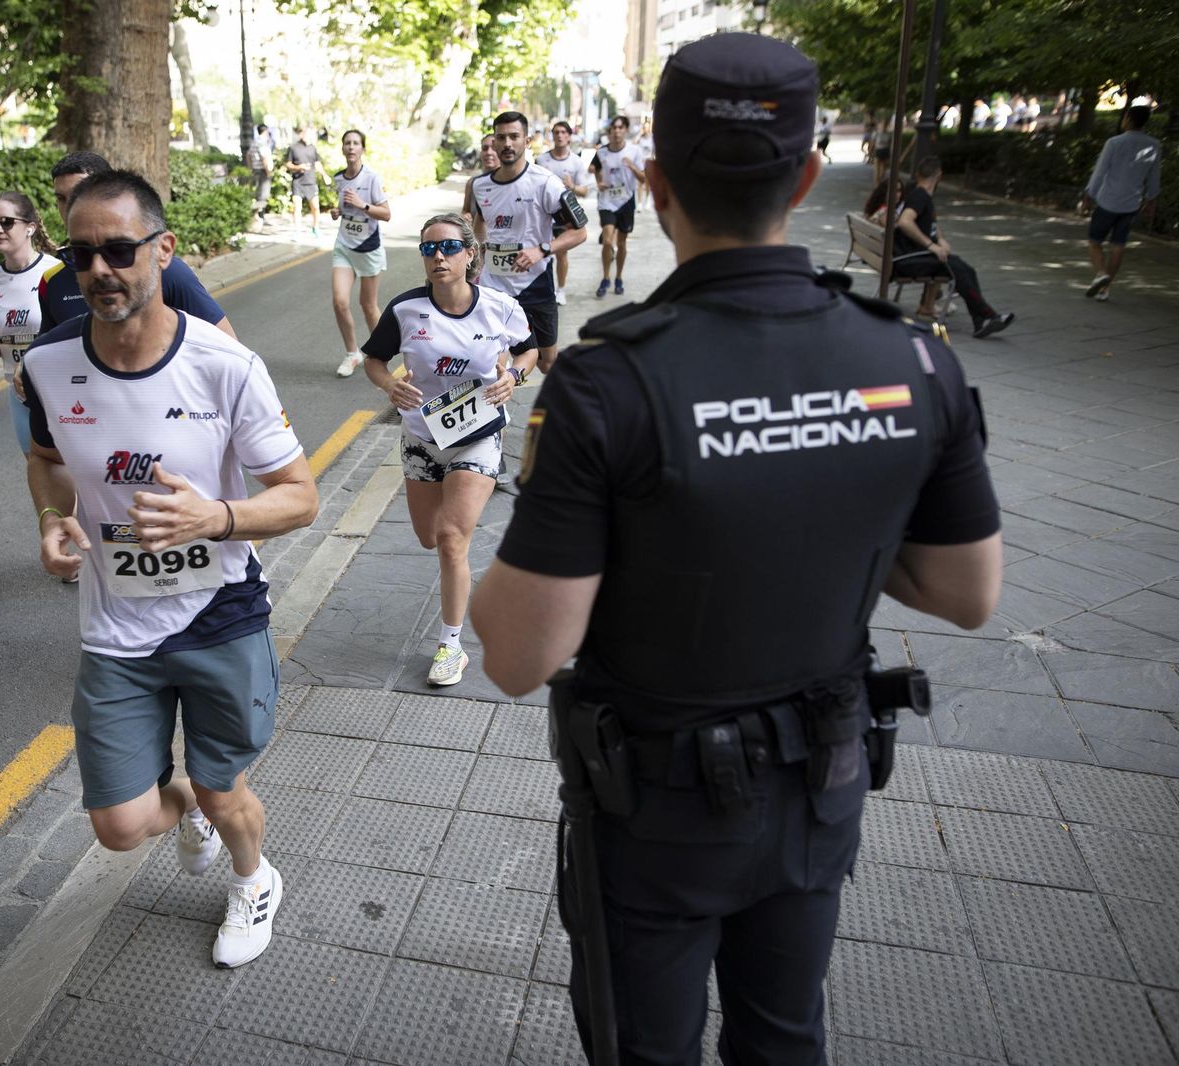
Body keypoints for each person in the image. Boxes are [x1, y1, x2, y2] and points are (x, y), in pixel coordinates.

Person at [470, 33, 1003, 1066]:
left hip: (655, 810)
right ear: (806, 176)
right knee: (782, 1035)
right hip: (821, 782)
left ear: (657, 182)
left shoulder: (607, 380)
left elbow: (515, 655)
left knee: (645, 1048)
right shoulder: (908, 358)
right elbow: (966, 589)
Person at [21, 169, 318, 968]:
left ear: (163, 250)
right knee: (119, 827)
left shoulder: (226, 366)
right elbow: (47, 463)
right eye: (81, 254)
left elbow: (300, 498)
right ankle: (182, 801)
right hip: (114, 626)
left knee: (227, 792)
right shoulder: (49, 366)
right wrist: (54, 518)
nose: (100, 271)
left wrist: (216, 517)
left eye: (119, 249)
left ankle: (254, 880)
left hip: (217, 613)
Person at [362, 214, 537, 687]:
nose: (438, 257)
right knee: (428, 535)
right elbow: (374, 360)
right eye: (428, 250)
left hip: (478, 433)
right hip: (422, 438)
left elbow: (529, 350)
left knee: (452, 539)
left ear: (469, 254)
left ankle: (450, 645)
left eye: (448, 248)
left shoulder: (499, 306)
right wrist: (389, 386)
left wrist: (513, 377)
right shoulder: (405, 310)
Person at [37, 152, 234, 340]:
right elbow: (47, 353)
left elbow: (228, 349)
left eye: (79, 193)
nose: (71, 205)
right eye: (61, 198)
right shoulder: (51, 282)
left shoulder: (168, 270)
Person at [470, 110, 589, 373]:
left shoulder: (546, 183)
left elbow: (579, 232)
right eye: (501, 137)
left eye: (514, 136)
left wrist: (542, 250)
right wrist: (478, 257)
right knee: (491, 360)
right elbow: (479, 224)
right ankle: (497, 404)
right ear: (494, 141)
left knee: (547, 363)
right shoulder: (480, 186)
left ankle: (524, 384)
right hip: (494, 285)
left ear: (527, 141)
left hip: (534, 283)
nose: (507, 143)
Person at [893, 156, 1016, 337]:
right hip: (909, 260)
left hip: (911, 256)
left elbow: (927, 224)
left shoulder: (919, 194)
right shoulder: (920, 196)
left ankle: (982, 320)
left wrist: (940, 239)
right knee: (958, 270)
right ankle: (987, 316)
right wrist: (931, 246)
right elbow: (905, 222)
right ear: (939, 175)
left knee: (967, 269)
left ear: (919, 174)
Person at [0, 192, 54, 456]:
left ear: (29, 227)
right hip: (19, 393)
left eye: (7, 222)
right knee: (37, 469)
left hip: (57, 388)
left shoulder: (55, 272)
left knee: (72, 475)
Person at [1081, 104, 1162, 302]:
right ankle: (1105, 290)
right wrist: (1150, 199)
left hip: (1108, 200)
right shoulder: (1154, 145)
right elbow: (1153, 177)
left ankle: (1101, 274)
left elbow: (1100, 172)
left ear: (1128, 118)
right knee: (1118, 246)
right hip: (1132, 203)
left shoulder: (1114, 143)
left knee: (1094, 242)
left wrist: (1088, 195)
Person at [329, 130, 392, 377]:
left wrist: (362, 204)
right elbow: (345, 209)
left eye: (356, 143)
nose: (351, 147)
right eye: (347, 143)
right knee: (340, 301)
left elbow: (386, 214)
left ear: (362, 149)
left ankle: (379, 356)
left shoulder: (372, 178)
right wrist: (338, 212)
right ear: (343, 149)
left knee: (367, 305)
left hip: (369, 248)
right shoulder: (338, 179)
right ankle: (352, 353)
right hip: (344, 245)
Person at [589, 116, 649, 299]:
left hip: (626, 200)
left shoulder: (634, 151)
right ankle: (606, 277)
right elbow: (593, 168)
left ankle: (619, 277)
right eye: (613, 128)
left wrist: (631, 166)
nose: (616, 131)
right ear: (609, 132)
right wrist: (599, 182)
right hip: (607, 200)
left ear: (626, 130)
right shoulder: (602, 152)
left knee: (621, 243)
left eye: (620, 127)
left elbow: (644, 179)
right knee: (607, 241)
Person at [537, 121, 592, 306]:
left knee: (560, 252)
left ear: (569, 136)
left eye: (563, 132)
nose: (559, 135)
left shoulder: (576, 161)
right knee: (542, 253)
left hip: (564, 215)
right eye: (556, 132)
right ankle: (545, 287)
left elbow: (585, 191)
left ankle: (560, 289)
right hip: (542, 213)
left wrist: (572, 187)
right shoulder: (542, 160)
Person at [283, 126, 327, 239]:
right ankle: (297, 230)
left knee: (315, 207)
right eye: (306, 134)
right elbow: (288, 164)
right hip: (298, 182)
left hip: (311, 182)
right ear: (301, 134)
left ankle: (315, 227)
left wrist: (324, 175)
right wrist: (298, 167)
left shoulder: (312, 148)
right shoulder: (293, 148)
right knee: (297, 208)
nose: (308, 136)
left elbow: (317, 163)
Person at [462, 134, 498, 217]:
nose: (489, 152)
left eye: (494, 148)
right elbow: (465, 211)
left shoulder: (511, 183)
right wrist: (465, 216)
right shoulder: (472, 183)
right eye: (485, 148)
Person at [247, 124, 272, 229]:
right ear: (265, 131)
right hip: (262, 171)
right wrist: (268, 171)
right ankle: (260, 217)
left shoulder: (254, 142)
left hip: (256, 170)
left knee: (258, 194)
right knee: (263, 195)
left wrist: (250, 167)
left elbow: (248, 155)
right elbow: (264, 157)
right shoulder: (262, 143)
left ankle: (258, 217)